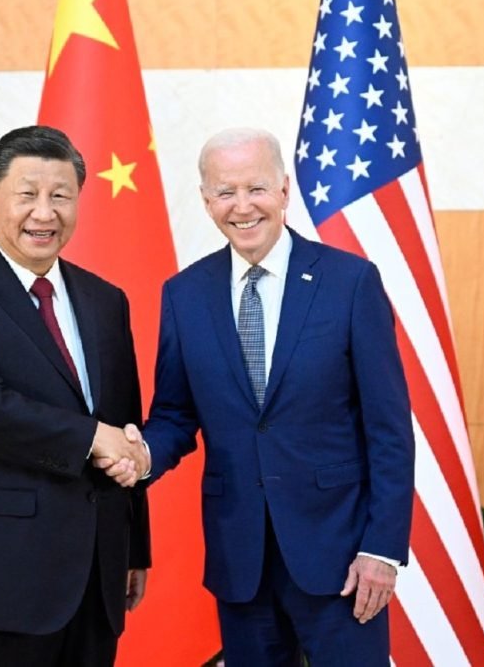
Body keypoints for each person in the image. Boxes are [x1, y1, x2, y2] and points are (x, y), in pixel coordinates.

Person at [98, 128, 414, 666]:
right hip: (240, 558)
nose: (242, 207)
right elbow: (176, 414)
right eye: (225, 192)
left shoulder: (351, 282)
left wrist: (381, 549)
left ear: (284, 190)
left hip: (341, 556)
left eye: (256, 189)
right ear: (205, 201)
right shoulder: (185, 294)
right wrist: (145, 454)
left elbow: (389, 430)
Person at [0, 125, 151, 667]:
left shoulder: (104, 300)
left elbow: (125, 426)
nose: (44, 213)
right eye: (27, 194)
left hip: (96, 574)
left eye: (60, 196)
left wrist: (133, 548)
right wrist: (92, 438)